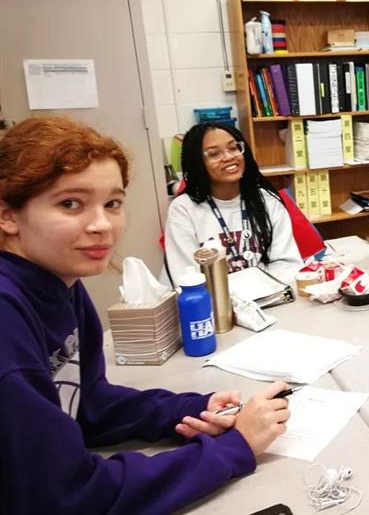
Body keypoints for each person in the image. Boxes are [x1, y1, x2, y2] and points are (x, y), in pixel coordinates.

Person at [0, 116, 291, 513]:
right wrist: (234, 448)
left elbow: (90, 406)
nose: (102, 225)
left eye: (112, 204)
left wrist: (190, 410)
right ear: (7, 215)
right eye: (70, 203)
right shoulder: (8, 316)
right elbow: (73, 497)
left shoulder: (60, 283)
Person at [163, 122, 302, 285]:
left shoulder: (267, 201)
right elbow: (186, 276)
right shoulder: (183, 209)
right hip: (213, 299)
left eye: (233, 148)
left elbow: (288, 264)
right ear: (197, 163)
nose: (229, 157)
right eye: (214, 154)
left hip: (270, 294)